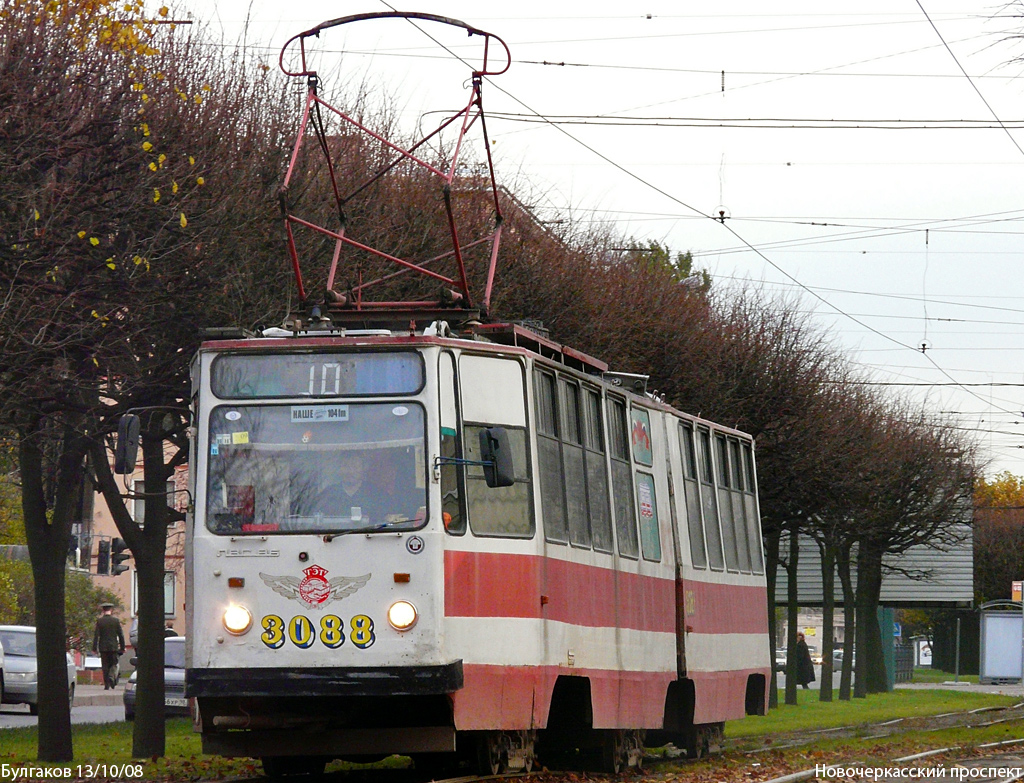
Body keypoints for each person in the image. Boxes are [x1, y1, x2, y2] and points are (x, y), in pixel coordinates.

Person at [92, 603, 125, 690]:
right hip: (113, 646)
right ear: (111, 610)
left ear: (103, 610)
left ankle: (107, 685)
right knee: (114, 663)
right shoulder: (116, 621)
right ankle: (111, 676)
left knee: (105, 665)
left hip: (103, 647)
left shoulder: (100, 621)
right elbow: (121, 635)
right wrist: (122, 647)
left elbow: (96, 635)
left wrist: (94, 648)